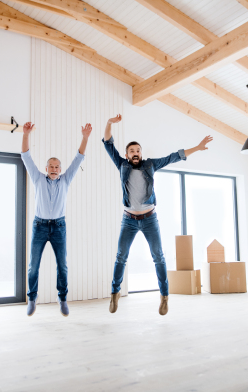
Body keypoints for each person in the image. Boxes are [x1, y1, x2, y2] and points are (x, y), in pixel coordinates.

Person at [103, 114, 213, 316]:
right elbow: (108, 144)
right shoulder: (122, 165)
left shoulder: (150, 165)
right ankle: (114, 293)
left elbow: (174, 156)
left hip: (149, 219)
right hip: (128, 220)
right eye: (131, 151)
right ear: (127, 155)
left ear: (141, 153)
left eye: (138, 150)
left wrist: (197, 147)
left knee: (158, 257)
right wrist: (109, 123)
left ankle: (164, 297)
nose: (135, 153)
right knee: (121, 257)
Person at [21, 121, 92, 317]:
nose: (54, 169)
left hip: (59, 227)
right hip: (40, 226)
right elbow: (26, 157)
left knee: (62, 265)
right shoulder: (38, 179)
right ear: (46, 168)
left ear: (60, 169)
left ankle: (62, 299)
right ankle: (32, 299)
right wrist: (26, 134)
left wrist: (85, 138)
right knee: (33, 265)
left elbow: (78, 159)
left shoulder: (66, 180)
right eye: (51, 166)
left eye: (57, 166)